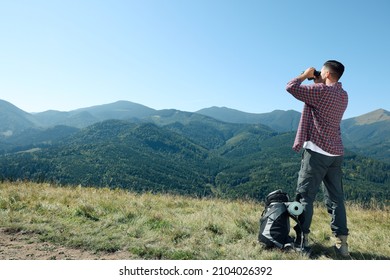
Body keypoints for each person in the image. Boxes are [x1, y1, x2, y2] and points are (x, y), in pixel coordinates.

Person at [285, 60, 350, 257]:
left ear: (328, 74)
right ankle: (342, 246)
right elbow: (319, 100)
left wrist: (305, 75)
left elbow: (290, 87)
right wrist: (317, 80)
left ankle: (302, 241)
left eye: (322, 72)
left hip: (317, 152)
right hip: (336, 153)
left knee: (306, 197)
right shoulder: (343, 95)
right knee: (336, 199)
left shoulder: (320, 93)